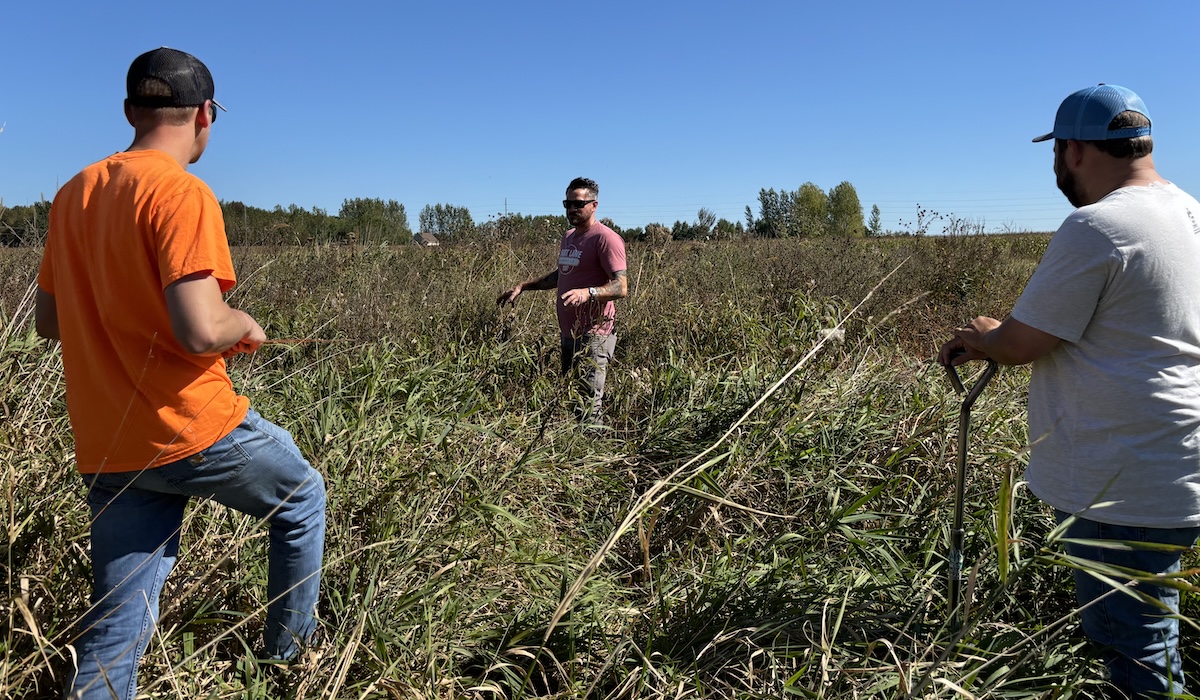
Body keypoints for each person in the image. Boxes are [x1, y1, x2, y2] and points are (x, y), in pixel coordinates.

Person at [35, 47, 326, 699]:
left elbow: (49, 324)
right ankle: (289, 661)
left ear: (130, 111)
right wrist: (242, 323)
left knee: (112, 639)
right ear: (204, 116)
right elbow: (201, 327)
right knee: (302, 497)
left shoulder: (72, 194)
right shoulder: (181, 192)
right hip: (192, 428)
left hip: (111, 444)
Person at [939, 84, 1200, 699]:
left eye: (1057, 153)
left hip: (1118, 482)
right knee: (1154, 631)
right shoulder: (1189, 213)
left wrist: (983, 334)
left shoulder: (1098, 227)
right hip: (1176, 464)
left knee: (1131, 649)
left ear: (1074, 150)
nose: (1058, 167)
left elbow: (1022, 345)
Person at [497, 177, 628, 423]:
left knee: (589, 403)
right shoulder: (569, 237)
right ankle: (577, 453)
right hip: (569, 332)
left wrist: (587, 292)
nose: (571, 210)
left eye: (578, 204)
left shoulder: (606, 239)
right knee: (572, 396)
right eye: (567, 203)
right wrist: (523, 287)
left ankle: (596, 455)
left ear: (594, 205)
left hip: (595, 334)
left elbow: (621, 287)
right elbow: (562, 275)